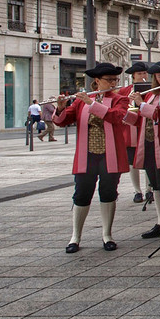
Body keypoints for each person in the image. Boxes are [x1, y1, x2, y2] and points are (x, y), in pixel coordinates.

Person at [53, 63, 130, 253]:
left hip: (110, 154)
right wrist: (61, 108)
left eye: (115, 80)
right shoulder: (81, 101)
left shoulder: (120, 99)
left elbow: (116, 117)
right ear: (97, 81)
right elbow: (63, 121)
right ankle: (75, 237)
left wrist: (91, 103)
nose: (113, 83)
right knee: (81, 193)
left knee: (108, 192)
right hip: (86, 155)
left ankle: (107, 235)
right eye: (109, 80)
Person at [125, 61, 160, 241]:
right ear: (155, 79)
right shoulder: (151, 94)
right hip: (149, 143)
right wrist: (126, 112)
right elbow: (143, 118)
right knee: (155, 185)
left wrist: (141, 105)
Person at [118, 62, 151, 202]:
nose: (143, 76)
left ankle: (149, 188)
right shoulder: (125, 90)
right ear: (133, 76)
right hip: (130, 130)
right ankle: (137, 191)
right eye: (140, 74)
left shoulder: (151, 89)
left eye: (144, 73)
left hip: (145, 127)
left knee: (148, 160)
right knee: (132, 161)